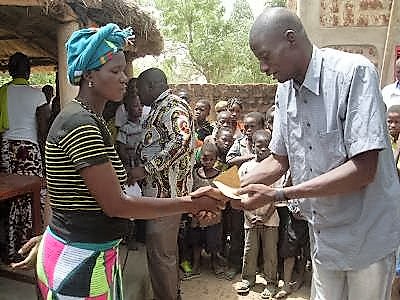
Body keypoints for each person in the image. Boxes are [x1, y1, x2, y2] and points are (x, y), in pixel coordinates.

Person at [194, 7, 400, 300]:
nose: (263, 68)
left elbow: (363, 169)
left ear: (291, 39)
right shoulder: (285, 91)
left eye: (265, 56)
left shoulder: (353, 74)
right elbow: (279, 159)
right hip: (324, 233)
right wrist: (221, 191)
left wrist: (279, 195)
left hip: (366, 234)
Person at [10, 24, 223, 300]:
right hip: (79, 261)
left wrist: (55, 232)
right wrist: (193, 203)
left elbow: (58, 190)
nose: (125, 79)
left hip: (86, 254)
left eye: (124, 70)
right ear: (88, 74)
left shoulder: (88, 119)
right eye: (115, 71)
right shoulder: (80, 125)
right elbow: (117, 205)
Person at [132, 67, 196, 300]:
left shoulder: (172, 107)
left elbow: (181, 140)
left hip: (167, 195)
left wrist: (145, 169)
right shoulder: (159, 108)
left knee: (161, 254)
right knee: (163, 252)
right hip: (157, 194)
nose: (138, 96)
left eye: (139, 90)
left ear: (151, 86)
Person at [0, 52, 49, 263]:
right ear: (28, 71)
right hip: (29, 150)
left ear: (10, 71)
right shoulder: (38, 95)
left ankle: (10, 248)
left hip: (6, 150)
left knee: (10, 199)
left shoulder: (2, 92)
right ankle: (31, 249)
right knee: (33, 197)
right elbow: (44, 128)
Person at [235, 130, 279, 299]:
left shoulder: (274, 169)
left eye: (267, 147)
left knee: (270, 254)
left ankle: (271, 282)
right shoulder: (246, 167)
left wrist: (265, 216)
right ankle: (248, 279)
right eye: (259, 146)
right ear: (252, 146)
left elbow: (276, 195)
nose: (263, 150)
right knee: (249, 251)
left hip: (271, 219)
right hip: (250, 219)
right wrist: (249, 215)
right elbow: (239, 194)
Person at [188, 141, 224, 278]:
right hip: (196, 216)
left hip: (214, 216)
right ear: (199, 157)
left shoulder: (219, 175)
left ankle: (215, 263)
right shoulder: (194, 173)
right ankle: (196, 265)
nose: (207, 162)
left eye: (211, 159)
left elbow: (223, 195)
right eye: (204, 158)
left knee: (213, 241)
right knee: (196, 241)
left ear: (216, 160)